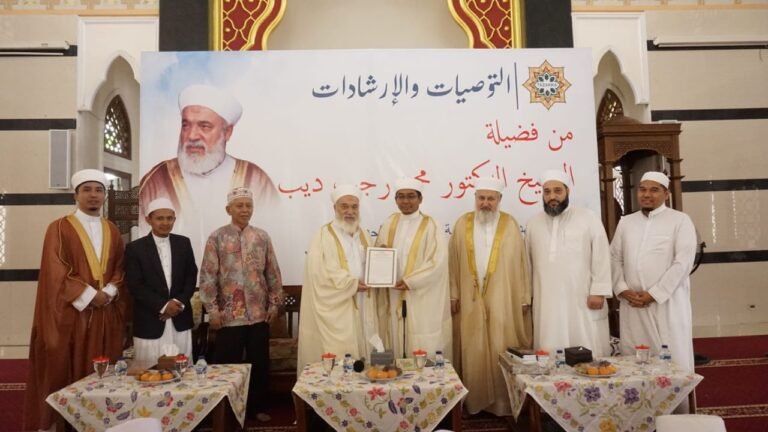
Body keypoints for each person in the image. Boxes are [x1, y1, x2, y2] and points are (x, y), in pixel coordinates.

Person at [23, 169, 128, 432]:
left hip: (105, 313)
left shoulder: (113, 230)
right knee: (66, 366)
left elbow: (120, 267)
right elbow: (56, 269)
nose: (93, 195)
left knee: (104, 368)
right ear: (75, 195)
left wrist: (110, 291)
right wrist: (91, 295)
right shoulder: (59, 227)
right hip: (73, 314)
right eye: (87, 190)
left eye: (99, 190)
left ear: (105, 195)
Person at [140, 84, 277, 266]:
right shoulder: (156, 180)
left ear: (227, 132)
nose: (192, 136)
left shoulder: (256, 179)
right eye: (186, 125)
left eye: (204, 126)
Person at [610, 171, 697, 411]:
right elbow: (614, 257)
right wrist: (622, 289)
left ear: (666, 194)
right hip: (632, 306)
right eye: (643, 189)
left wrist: (654, 294)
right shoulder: (626, 222)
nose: (646, 194)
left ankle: (678, 418)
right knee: (635, 361)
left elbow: (683, 263)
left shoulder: (680, 221)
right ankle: (637, 416)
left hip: (666, 306)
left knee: (673, 361)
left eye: (654, 190)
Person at [199, 187, 283, 422]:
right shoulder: (217, 237)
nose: (245, 210)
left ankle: (257, 407)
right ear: (229, 209)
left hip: (258, 313)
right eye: (240, 206)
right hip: (228, 315)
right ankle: (224, 409)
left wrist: (274, 305)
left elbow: (273, 273)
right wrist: (212, 310)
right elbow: (207, 276)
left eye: (248, 205)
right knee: (227, 364)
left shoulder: (262, 237)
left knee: (259, 363)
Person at [449, 177, 531, 416]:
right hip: (469, 296)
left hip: (503, 297)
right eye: (481, 198)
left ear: (499, 200)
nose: (485, 203)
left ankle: (502, 404)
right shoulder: (462, 223)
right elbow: (452, 263)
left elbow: (521, 264)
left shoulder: (510, 224)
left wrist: (524, 297)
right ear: (475, 198)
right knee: (473, 346)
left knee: (501, 344)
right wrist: (453, 294)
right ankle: (475, 402)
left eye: (491, 199)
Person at [526, 170, 612, 357]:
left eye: (557, 191)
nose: (552, 196)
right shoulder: (533, 223)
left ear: (568, 192)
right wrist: (528, 296)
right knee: (549, 344)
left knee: (585, 343)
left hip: (582, 296)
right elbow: (528, 263)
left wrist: (599, 291)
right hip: (545, 298)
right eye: (547, 192)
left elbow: (601, 255)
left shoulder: (588, 217)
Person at [297, 185, 378, 373]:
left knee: (364, 355)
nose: (350, 211)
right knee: (338, 360)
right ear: (335, 208)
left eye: (354, 207)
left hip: (362, 303)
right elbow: (319, 273)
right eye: (344, 206)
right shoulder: (323, 235)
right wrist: (351, 284)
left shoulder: (364, 235)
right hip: (336, 308)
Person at [375, 178, 452, 360]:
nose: (406, 201)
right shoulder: (389, 222)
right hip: (393, 292)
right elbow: (378, 252)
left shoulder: (432, 225)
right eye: (401, 197)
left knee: (421, 340)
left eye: (411, 196)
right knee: (394, 337)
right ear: (395, 200)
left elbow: (437, 261)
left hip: (421, 294)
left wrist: (411, 281)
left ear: (420, 199)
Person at [125, 198, 197, 363]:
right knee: (149, 371)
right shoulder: (135, 248)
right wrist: (163, 306)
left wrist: (177, 303)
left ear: (174, 219)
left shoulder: (183, 243)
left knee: (183, 369)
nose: (165, 223)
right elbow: (134, 285)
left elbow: (191, 277)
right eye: (159, 218)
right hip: (151, 319)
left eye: (169, 218)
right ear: (148, 220)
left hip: (180, 317)